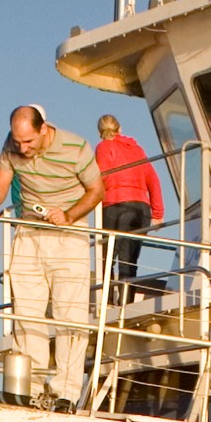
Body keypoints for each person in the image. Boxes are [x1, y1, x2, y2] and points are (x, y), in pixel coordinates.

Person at [0, 105, 104, 407]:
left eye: (28, 141)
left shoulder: (76, 146)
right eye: (18, 142)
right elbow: (1, 184)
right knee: (26, 315)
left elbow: (96, 190)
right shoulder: (12, 145)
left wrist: (68, 214)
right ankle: (34, 388)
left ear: (43, 129)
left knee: (71, 315)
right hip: (28, 233)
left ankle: (66, 392)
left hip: (68, 234)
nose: (23, 148)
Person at [92, 113, 163, 303]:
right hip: (141, 208)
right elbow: (153, 180)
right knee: (129, 261)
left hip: (115, 206)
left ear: (100, 132)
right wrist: (158, 213)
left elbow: (103, 175)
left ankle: (107, 303)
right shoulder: (137, 150)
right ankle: (126, 305)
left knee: (107, 259)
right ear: (120, 129)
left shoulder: (104, 147)